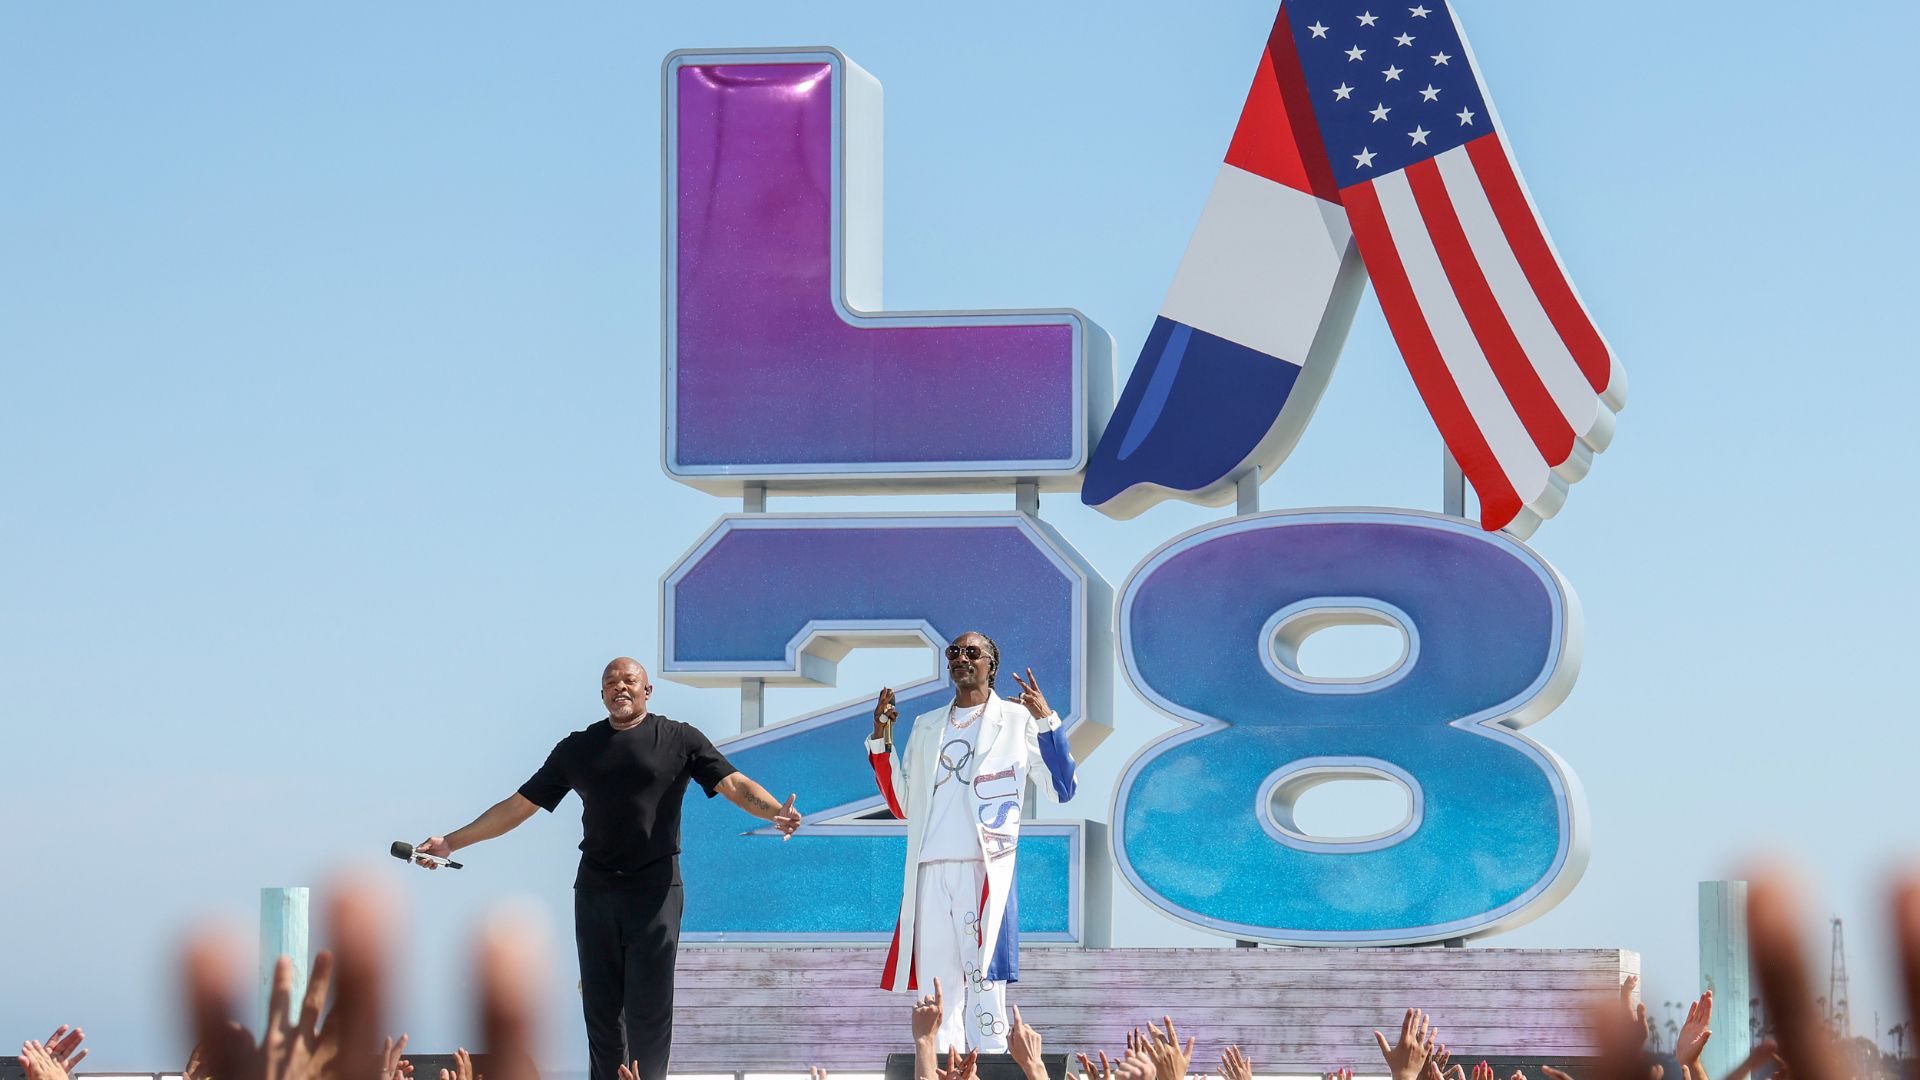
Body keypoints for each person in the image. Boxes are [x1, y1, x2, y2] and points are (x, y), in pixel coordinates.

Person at [411, 656, 802, 1080]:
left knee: (649, 1010)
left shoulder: (679, 738)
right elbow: (518, 806)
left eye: (629, 680)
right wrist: (451, 841)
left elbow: (733, 783)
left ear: (647, 691)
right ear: (602, 695)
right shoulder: (579, 748)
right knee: (602, 1013)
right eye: (611, 682)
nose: (620, 687)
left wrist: (774, 811)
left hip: (656, 891)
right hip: (596, 891)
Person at [867, 631, 1079, 1053]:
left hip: (981, 866)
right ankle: (938, 1066)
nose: (961, 658)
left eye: (972, 652)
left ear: (990, 666)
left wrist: (1046, 722)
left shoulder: (1016, 720)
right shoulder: (927, 725)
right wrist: (881, 738)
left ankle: (993, 1060)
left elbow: (1062, 788)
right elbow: (902, 803)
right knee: (936, 986)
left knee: (984, 984)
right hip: (929, 868)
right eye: (954, 652)